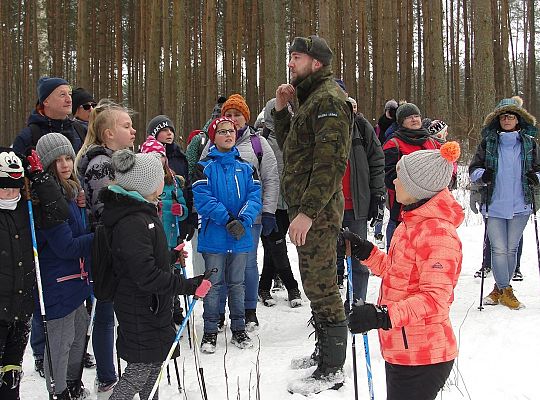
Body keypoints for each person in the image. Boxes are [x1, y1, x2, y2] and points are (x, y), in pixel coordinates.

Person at [345, 141, 463, 400]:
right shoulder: (411, 224)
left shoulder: (438, 233)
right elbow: (397, 271)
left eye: (400, 177)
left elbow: (435, 300)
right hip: (403, 346)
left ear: (418, 187)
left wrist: (382, 315)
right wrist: (366, 251)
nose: (394, 182)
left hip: (423, 355)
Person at [98, 149, 211, 400]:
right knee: (140, 368)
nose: (165, 180)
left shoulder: (143, 211)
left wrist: (170, 256)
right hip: (140, 307)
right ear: (147, 184)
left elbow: (141, 259)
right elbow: (144, 274)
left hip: (152, 306)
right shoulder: (132, 221)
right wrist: (189, 286)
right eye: (161, 176)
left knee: (156, 363)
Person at [273, 35, 351, 395]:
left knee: (321, 287)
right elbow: (296, 150)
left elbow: (330, 164)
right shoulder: (309, 99)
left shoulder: (328, 100)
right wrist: (281, 109)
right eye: (290, 57)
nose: (291, 63)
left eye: (297, 57)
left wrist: (306, 213)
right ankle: (324, 353)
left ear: (316, 63)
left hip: (316, 211)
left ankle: (333, 368)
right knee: (313, 281)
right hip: (304, 208)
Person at [200, 94, 279, 331]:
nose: (233, 120)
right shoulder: (212, 144)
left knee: (247, 265)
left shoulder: (258, 143)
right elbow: (202, 177)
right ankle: (219, 313)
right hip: (218, 221)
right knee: (221, 267)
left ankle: (248, 310)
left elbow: (270, 178)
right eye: (229, 115)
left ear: (246, 117)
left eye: (237, 115)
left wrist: (268, 211)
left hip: (250, 217)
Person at [76, 99, 136, 394]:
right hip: (107, 249)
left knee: (115, 311)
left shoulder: (121, 160)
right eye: (126, 126)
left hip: (120, 245)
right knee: (105, 313)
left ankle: (117, 371)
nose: (133, 130)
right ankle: (106, 374)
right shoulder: (101, 164)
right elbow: (106, 210)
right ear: (109, 134)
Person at [0, 147, 69, 400]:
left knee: (12, 371)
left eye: (15, 187)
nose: (10, 193)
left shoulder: (26, 207)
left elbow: (59, 211)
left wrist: (40, 178)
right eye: (4, 187)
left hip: (20, 308)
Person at [193, 116, 262, 353]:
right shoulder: (204, 168)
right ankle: (210, 330)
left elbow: (255, 196)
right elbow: (203, 199)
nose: (228, 135)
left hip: (241, 236)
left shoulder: (246, 166)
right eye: (222, 132)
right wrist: (228, 219)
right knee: (213, 283)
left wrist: (243, 220)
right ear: (214, 137)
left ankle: (239, 328)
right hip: (215, 236)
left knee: (238, 283)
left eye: (231, 131)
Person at [35, 133, 94, 399]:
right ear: (47, 166)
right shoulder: (47, 200)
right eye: (56, 160)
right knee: (59, 343)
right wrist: (100, 237)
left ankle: (71, 383)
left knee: (77, 334)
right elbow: (66, 247)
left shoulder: (69, 192)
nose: (65, 164)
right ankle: (58, 391)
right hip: (57, 283)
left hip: (74, 280)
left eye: (68, 157)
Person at [469, 96, 538, 309]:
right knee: (498, 249)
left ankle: (500, 288)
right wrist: (483, 175)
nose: (506, 120)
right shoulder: (488, 143)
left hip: (521, 204)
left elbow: (538, 170)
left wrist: (536, 177)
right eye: (503, 117)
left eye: (510, 116)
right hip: (494, 204)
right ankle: (505, 289)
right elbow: (473, 170)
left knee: (511, 248)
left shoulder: (529, 144)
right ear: (497, 121)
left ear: (518, 120)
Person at [335, 83, 385, 304]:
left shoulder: (361, 126)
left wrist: (376, 195)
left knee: (359, 260)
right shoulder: (315, 126)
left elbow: (376, 161)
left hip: (356, 206)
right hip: (326, 209)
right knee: (325, 263)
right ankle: (328, 312)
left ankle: (356, 302)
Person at [257, 98, 302, 308]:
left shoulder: (295, 137)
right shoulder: (261, 139)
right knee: (276, 246)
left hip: (289, 202)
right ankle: (292, 287)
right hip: (269, 203)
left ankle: (264, 287)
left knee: (272, 248)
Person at [139, 135, 188, 324]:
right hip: (152, 239)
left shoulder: (173, 181)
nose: (157, 160)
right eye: (152, 156)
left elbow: (183, 208)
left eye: (160, 155)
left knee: (173, 273)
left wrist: (180, 209)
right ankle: (158, 307)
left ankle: (175, 308)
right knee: (159, 274)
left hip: (171, 236)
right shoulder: (142, 184)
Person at [383, 102, 440, 249]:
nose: (414, 119)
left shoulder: (432, 142)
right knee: (401, 256)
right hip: (402, 209)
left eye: (416, 116)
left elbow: (442, 169)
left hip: (431, 208)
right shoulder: (393, 144)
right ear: (401, 121)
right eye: (409, 117)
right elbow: (389, 177)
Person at [146, 115, 196, 246]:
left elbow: (187, 189)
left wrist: (188, 218)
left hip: (177, 220)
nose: (169, 133)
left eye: (171, 130)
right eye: (164, 130)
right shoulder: (144, 158)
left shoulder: (180, 157)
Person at [13, 77, 86, 155]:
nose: (69, 99)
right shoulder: (27, 137)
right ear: (46, 101)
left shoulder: (81, 131)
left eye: (70, 94)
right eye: (62, 95)